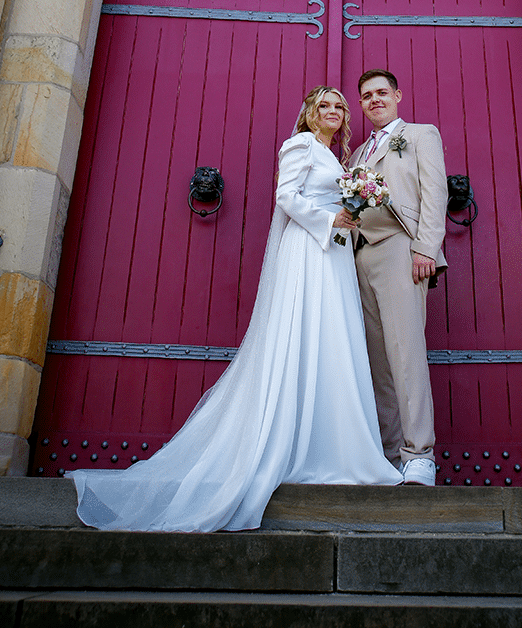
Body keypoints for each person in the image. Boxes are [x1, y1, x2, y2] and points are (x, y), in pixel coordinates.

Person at [69, 86, 402, 532]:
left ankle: (337, 444)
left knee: (332, 339)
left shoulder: (334, 158)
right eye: (325, 105)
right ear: (309, 113)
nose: (334, 111)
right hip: (309, 250)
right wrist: (330, 219)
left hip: (335, 252)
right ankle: (290, 442)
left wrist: (350, 211)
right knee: (305, 332)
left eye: (340, 106)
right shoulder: (300, 145)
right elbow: (286, 197)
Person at [351, 69, 448, 486]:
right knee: (378, 362)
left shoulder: (421, 135)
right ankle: (391, 458)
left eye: (381, 92)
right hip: (359, 258)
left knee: (406, 352)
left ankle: (419, 454)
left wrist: (426, 246)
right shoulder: (355, 155)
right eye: (367, 95)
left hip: (401, 248)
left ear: (397, 96)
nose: (375, 99)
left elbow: (435, 190)